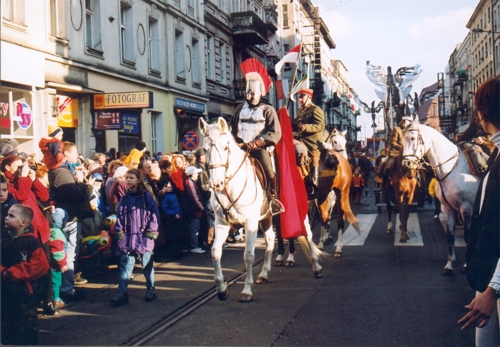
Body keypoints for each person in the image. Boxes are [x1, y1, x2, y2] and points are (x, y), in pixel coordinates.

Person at [458, 77, 500, 346]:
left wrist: (493, 290)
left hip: (493, 285)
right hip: (486, 279)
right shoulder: (495, 153)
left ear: (484, 112)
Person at [230, 58, 284, 215]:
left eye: (252, 92)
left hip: (259, 149)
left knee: (268, 170)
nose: (249, 95)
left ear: (260, 91)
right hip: (240, 148)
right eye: (248, 92)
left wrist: (259, 142)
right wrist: (234, 141)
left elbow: (275, 132)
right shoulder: (239, 108)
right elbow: (232, 127)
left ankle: (272, 198)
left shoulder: (268, 110)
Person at [48, 141, 94, 302]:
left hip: (72, 217)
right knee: (67, 254)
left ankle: (66, 288)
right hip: (69, 218)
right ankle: (65, 289)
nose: (77, 155)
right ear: (66, 154)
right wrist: (82, 182)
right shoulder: (61, 172)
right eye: (74, 153)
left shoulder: (66, 170)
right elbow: (73, 195)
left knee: (69, 254)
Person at [109, 169, 160, 306]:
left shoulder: (146, 197)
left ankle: (150, 289)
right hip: (128, 237)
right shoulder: (124, 198)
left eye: (131, 177)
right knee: (126, 266)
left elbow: (154, 216)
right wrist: (120, 234)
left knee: (147, 265)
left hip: (144, 236)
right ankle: (122, 293)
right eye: (126, 178)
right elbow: (120, 217)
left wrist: (150, 233)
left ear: (138, 180)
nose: (128, 180)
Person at [1, 204, 50, 345]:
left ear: (24, 222)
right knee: (7, 323)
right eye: (7, 214)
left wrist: (12, 272)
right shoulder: (5, 240)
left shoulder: (31, 242)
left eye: (11, 216)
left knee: (27, 326)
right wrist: (3, 271)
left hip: (25, 293)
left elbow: (40, 265)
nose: (6, 218)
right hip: (5, 290)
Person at [294, 88, 325, 196]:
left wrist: (305, 127)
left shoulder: (316, 110)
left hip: (312, 143)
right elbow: (298, 125)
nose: (300, 99)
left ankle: (314, 186)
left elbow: (320, 125)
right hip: (301, 141)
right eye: (299, 97)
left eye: (302, 97)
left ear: (309, 97)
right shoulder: (300, 111)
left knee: (314, 160)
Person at [48, 207, 69, 313]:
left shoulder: (48, 231)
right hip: (55, 264)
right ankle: (56, 299)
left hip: (48, 262)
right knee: (56, 282)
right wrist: (62, 264)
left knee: (49, 282)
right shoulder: (58, 233)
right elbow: (58, 251)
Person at [194, 147, 215, 247]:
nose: (203, 157)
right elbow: (203, 185)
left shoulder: (206, 166)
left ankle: (209, 239)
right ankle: (208, 240)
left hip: (207, 195)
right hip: (205, 195)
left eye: (204, 155)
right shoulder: (200, 168)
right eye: (201, 156)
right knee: (208, 218)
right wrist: (212, 186)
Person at [184, 166, 205, 254]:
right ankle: (193, 246)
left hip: (193, 210)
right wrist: (201, 207)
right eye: (196, 173)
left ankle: (194, 245)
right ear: (192, 174)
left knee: (194, 227)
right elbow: (194, 197)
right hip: (193, 210)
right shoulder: (190, 183)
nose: (197, 175)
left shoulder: (191, 182)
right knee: (194, 228)